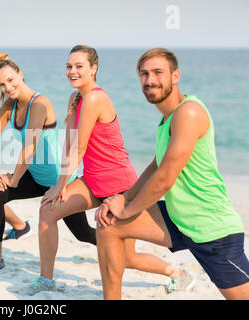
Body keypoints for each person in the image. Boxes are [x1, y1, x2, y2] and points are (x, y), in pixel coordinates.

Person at [25, 45, 187, 296]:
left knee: (126, 258)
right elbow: (69, 143)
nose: (72, 71)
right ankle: (46, 280)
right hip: (91, 182)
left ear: (93, 69)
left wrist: (59, 186)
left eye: (79, 66)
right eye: (69, 66)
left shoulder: (95, 98)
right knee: (47, 211)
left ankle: (177, 273)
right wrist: (62, 182)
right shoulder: (75, 99)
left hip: (121, 186)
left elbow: (79, 149)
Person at [96, 48, 249, 300]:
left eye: (158, 72)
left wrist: (128, 209)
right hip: (179, 219)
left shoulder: (188, 113)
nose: (150, 80)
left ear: (175, 76)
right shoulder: (167, 118)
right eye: (144, 74)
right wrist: (123, 198)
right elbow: (157, 165)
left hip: (212, 231)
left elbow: (165, 179)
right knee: (109, 225)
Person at [0, 52, 97, 272]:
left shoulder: (40, 104)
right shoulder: (9, 107)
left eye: (11, 80)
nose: (8, 88)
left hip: (59, 180)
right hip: (34, 176)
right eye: (2, 85)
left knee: (83, 234)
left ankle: (115, 244)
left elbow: (29, 149)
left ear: (21, 75)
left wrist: (13, 180)